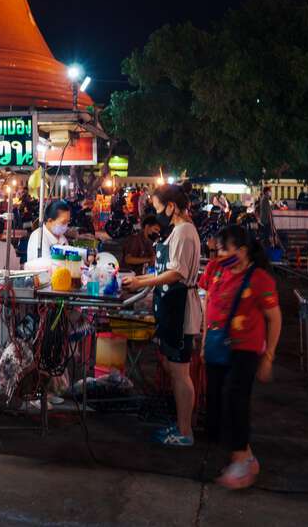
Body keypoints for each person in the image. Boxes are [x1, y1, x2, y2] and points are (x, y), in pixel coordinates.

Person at [200, 224, 281, 489]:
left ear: (243, 251)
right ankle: (242, 455)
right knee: (215, 403)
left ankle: (242, 459)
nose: (219, 253)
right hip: (215, 345)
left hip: (245, 349)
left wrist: (268, 356)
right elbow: (207, 304)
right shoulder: (214, 270)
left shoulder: (259, 279)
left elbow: (274, 318)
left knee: (235, 398)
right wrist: (202, 343)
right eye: (218, 248)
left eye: (225, 249)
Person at [123, 185, 202, 446]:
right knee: (172, 367)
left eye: (158, 209)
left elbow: (175, 274)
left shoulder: (184, 232)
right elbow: (163, 270)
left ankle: (185, 431)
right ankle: (180, 423)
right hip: (170, 307)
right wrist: (137, 280)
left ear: (171, 206)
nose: (157, 215)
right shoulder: (177, 231)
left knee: (180, 372)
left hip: (181, 311)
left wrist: (141, 283)